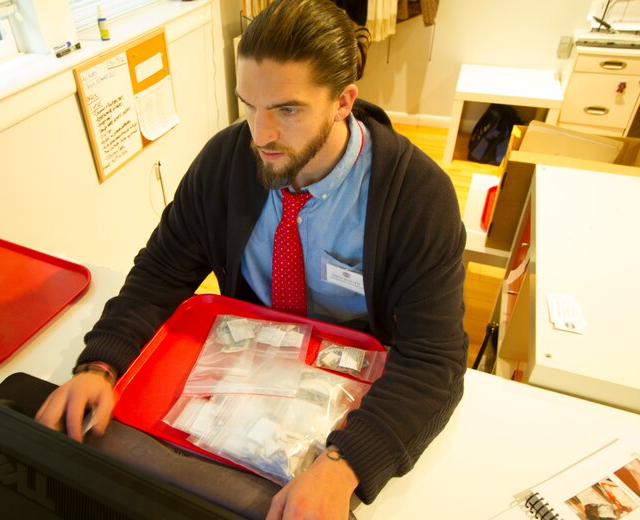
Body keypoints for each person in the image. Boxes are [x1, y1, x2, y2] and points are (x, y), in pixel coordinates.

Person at [36, 0, 468, 517]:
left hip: (350, 398)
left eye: (287, 110)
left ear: (343, 102)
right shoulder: (224, 161)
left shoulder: (416, 196)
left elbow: (433, 359)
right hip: (244, 384)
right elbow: (160, 272)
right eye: (248, 106)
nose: (260, 135)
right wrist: (102, 364)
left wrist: (347, 464)